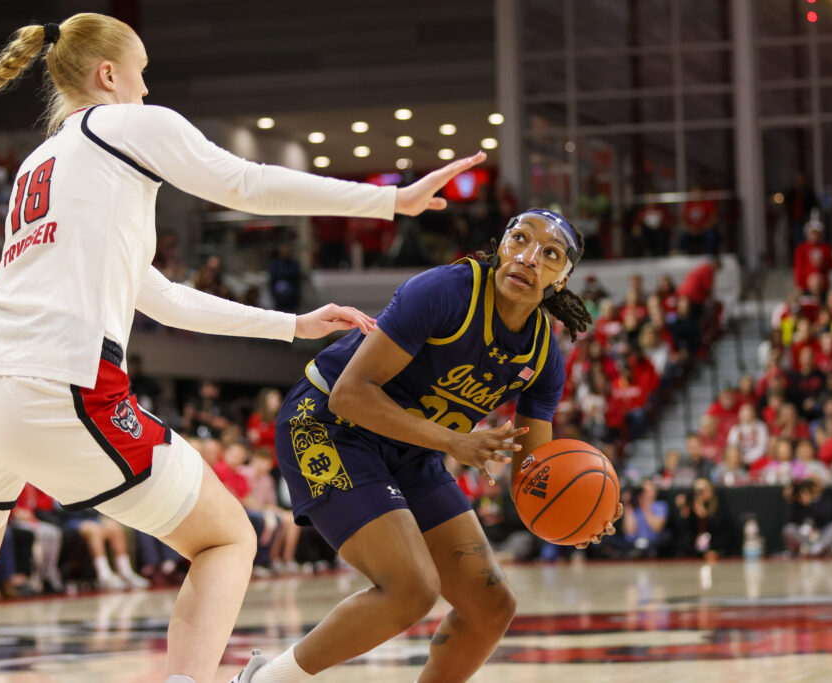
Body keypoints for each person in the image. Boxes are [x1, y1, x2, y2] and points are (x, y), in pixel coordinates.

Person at [0, 13, 482, 683]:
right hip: (56, 382)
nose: (148, 91)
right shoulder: (127, 125)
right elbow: (244, 183)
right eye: (143, 75)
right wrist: (388, 202)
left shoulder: (42, 162)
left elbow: (153, 294)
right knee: (227, 537)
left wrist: (288, 324)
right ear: (108, 75)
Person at [245, 209, 622, 683]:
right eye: (520, 239)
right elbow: (351, 394)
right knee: (410, 589)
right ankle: (264, 680)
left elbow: (533, 479)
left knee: (491, 606)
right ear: (500, 246)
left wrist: (579, 516)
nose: (529, 257)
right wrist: (454, 442)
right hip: (328, 422)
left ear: (562, 279)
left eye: (549, 254)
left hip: (410, 447)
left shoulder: (541, 359)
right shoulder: (445, 291)